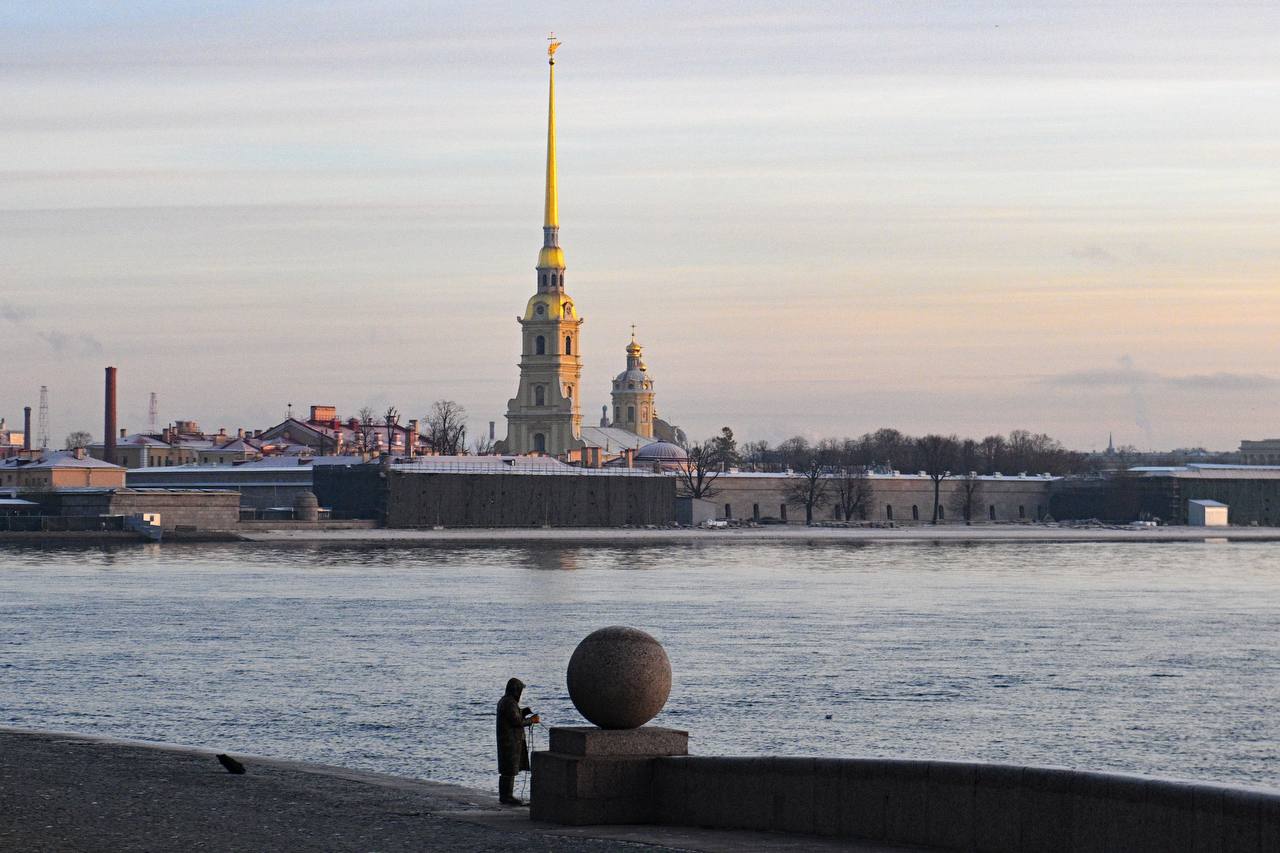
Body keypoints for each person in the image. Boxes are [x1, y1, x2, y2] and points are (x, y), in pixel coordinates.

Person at [496, 677, 539, 805]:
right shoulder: (510, 703)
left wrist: (523, 712)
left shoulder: (505, 701)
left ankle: (505, 796)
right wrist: (532, 720)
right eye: (520, 690)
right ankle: (506, 796)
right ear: (516, 690)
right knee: (509, 769)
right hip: (510, 741)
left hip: (507, 740)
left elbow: (515, 716)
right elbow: (517, 721)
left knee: (508, 769)